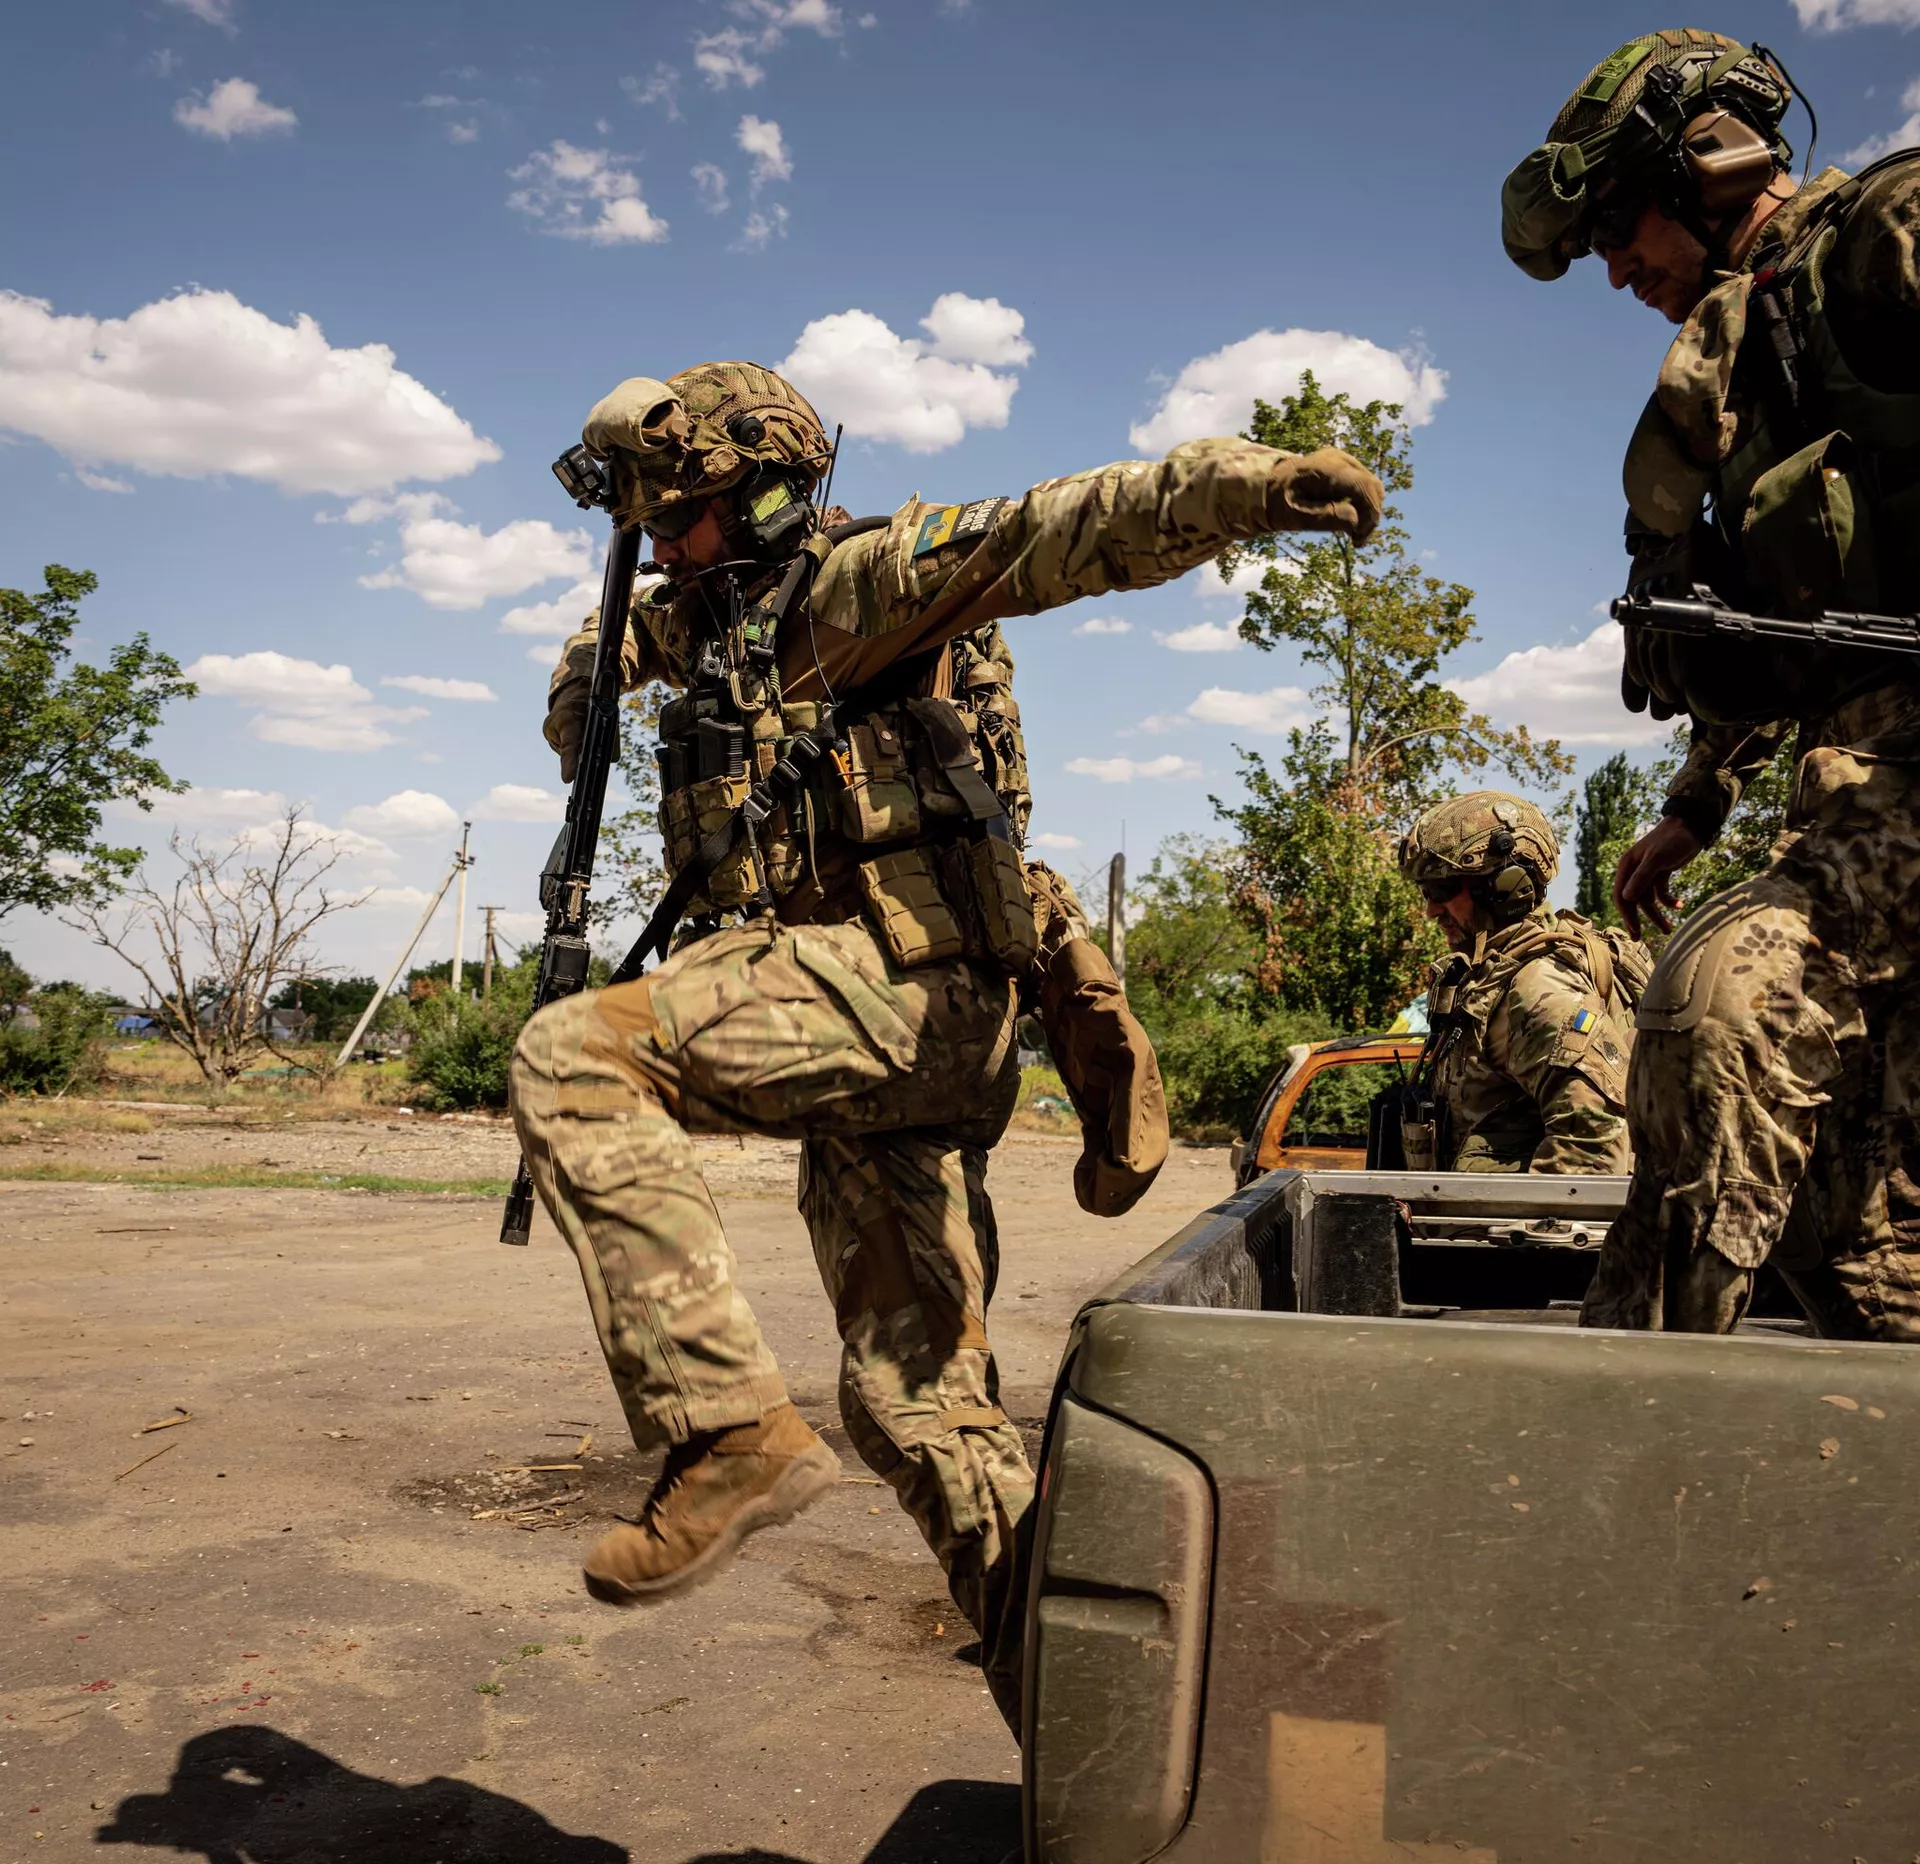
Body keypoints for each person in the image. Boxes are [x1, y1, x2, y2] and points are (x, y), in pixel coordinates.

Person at [509, 358, 1383, 1731]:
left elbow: (1055, 528)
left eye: (679, 516)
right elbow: (609, 645)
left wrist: (1248, 485)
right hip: (872, 1038)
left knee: (574, 1055)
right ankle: (1114, 1742)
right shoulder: (716, 616)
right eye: (647, 525)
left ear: (766, 491)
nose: (662, 547)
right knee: (916, 1404)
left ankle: (723, 1427)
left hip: (910, 999)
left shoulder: (858, 586)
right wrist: (591, 674)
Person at [1502, 30, 1920, 1337]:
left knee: (1719, 1009)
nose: (1615, 267)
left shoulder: (1884, 237)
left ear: (1711, 162)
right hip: (1860, 787)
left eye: (1621, 224)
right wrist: (1698, 797)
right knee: (1853, 1230)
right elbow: (1793, 623)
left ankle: (1640, 1418)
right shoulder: (1748, 352)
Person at [1395, 792, 1643, 1175]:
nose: (1430, 910)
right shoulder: (1489, 975)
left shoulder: (1540, 989)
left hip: (1515, 1216)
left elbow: (1591, 1155)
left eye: (1442, 890)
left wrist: (1522, 1212)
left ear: (1504, 886)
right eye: (1425, 892)